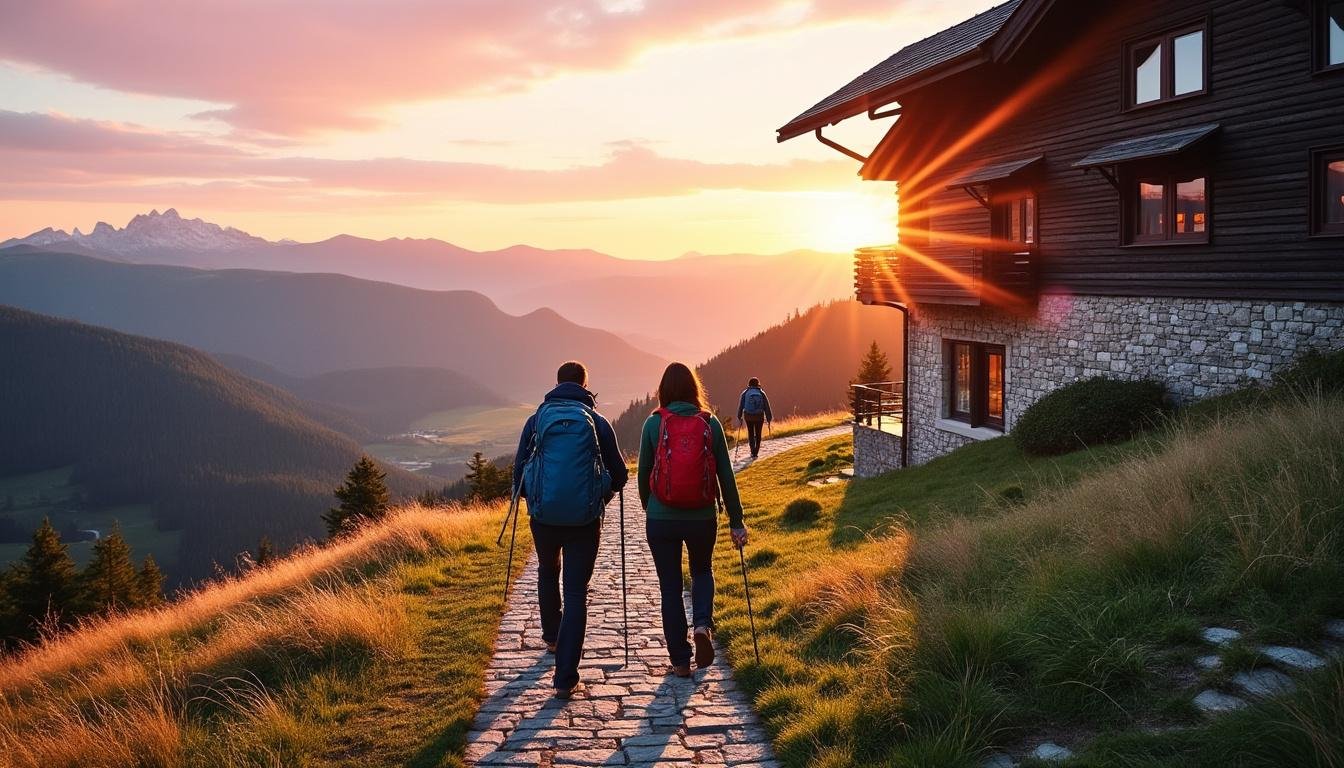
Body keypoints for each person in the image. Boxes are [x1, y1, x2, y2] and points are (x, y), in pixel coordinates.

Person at [513, 361, 627, 698]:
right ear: (584, 384)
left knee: (548, 571)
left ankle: (551, 637)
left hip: (544, 517)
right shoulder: (597, 421)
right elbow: (620, 475)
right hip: (584, 520)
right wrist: (599, 495)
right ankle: (565, 679)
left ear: (557, 383)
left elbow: (519, 472)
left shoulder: (536, 420)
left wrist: (535, 499)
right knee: (576, 591)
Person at [637, 362, 747, 677]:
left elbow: (643, 474)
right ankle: (701, 625)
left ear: (664, 391)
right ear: (693, 389)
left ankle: (680, 661)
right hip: (701, 516)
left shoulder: (653, 424)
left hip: (662, 518)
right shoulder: (709, 424)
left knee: (670, 587)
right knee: (701, 571)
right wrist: (736, 520)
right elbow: (726, 475)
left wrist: (650, 508)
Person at [736, 377, 773, 459]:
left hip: (748, 416)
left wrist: (739, 416)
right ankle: (756, 451)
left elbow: (741, 406)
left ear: (749, 384)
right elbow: (767, 406)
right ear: (757, 384)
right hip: (759, 416)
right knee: (758, 433)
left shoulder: (745, 393)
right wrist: (769, 418)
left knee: (751, 433)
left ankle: (752, 450)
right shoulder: (761, 393)